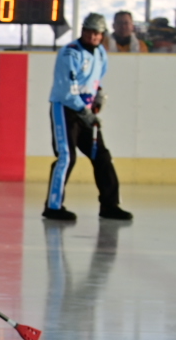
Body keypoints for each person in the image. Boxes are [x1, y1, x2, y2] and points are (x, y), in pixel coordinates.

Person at [45, 13, 132, 223]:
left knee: (102, 156)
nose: (93, 36)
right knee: (66, 156)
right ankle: (53, 206)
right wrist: (85, 112)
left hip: (86, 112)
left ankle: (110, 205)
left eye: (97, 33)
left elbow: (95, 80)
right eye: (89, 32)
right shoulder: (70, 53)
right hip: (65, 110)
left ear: (102, 35)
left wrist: (98, 96)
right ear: (83, 31)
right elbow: (68, 89)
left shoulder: (101, 53)